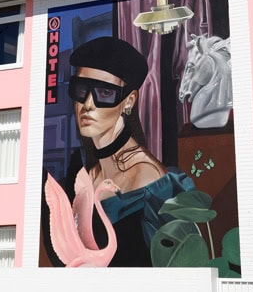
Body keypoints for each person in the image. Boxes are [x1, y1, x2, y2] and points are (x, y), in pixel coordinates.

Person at [65, 36, 196, 266]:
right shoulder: (90, 175)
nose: (88, 104)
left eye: (104, 93)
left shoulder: (147, 177)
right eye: (81, 89)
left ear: (129, 101)